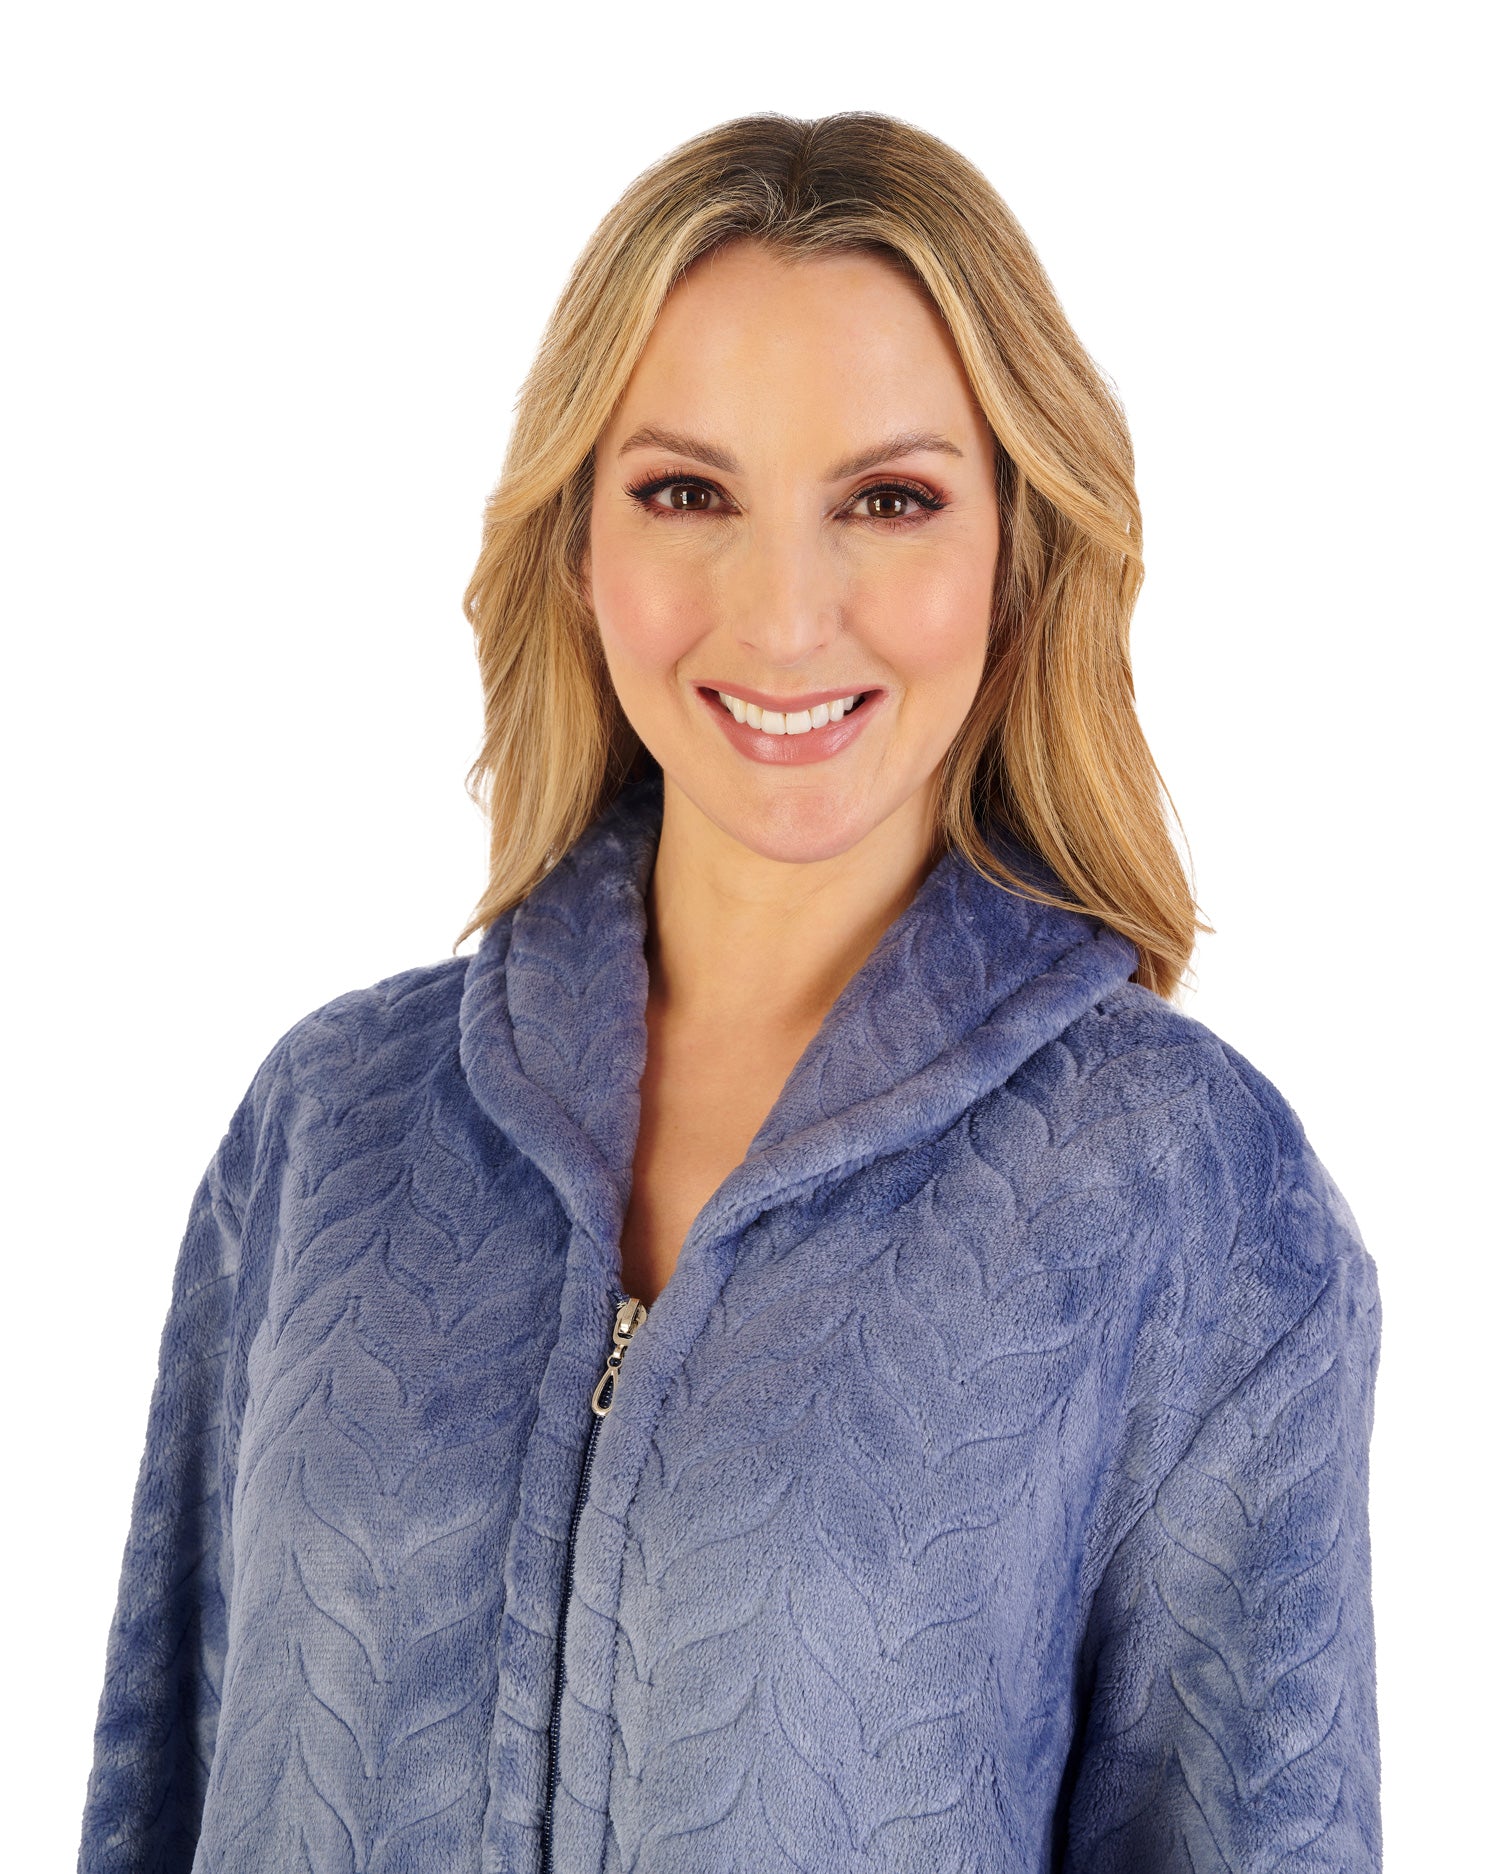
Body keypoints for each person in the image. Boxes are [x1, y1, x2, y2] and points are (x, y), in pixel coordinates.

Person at [78, 111, 1383, 1872]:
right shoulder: (329, 1127)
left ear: (1016, 553)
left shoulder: (1185, 1192)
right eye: (686, 493)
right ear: (575, 541)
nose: (780, 615)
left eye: (888, 501)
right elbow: (157, 1794)